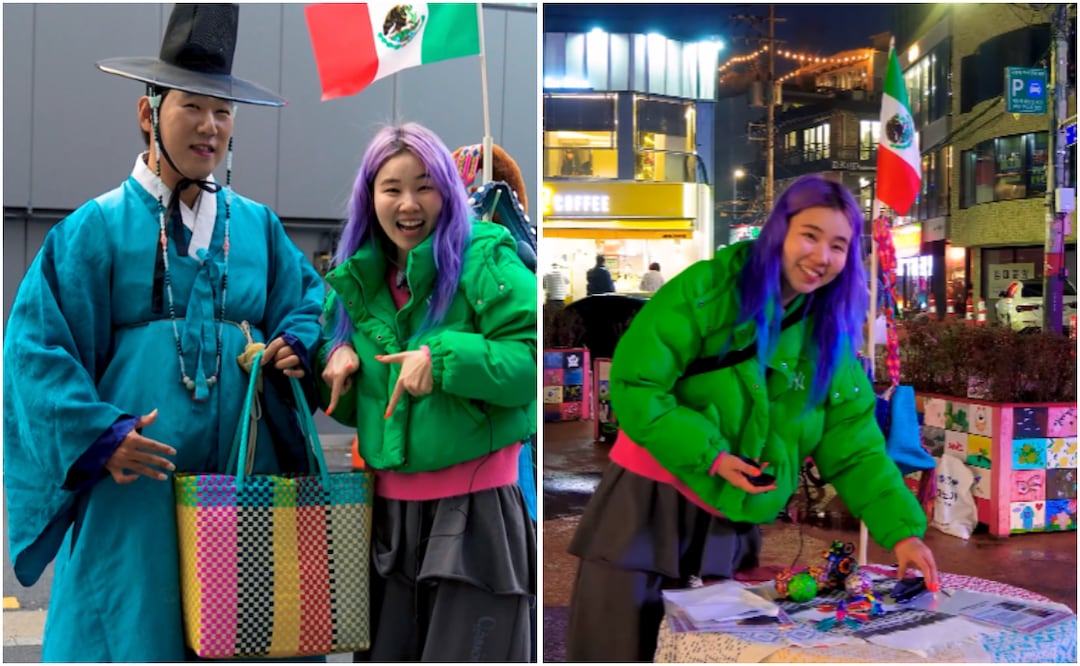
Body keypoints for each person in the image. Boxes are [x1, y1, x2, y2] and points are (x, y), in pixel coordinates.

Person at [2, 5, 325, 662]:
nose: (211, 126)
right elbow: (34, 352)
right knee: (133, 635)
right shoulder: (93, 230)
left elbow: (313, 304)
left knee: (248, 632)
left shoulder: (258, 227)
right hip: (134, 497)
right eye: (193, 107)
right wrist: (101, 437)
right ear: (149, 113)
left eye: (224, 112)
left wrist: (297, 340)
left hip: (244, 479)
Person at [565, 174, 940, 662]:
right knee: (617, 645)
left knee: (713, 651)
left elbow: (855, 447)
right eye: (810, 234)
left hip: (731, 519)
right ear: (778, 231)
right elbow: (637, 384)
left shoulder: (829, 336)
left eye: (839, 245)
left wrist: (902, 533)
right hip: (647, 504)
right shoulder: (707, 289)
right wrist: (712, 455)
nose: (821, 256)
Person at [317, 123, 536, 662]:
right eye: (392, 188)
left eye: (425, 186)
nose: (409, 204)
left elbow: (531, 360)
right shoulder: (355, 279)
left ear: (449, 190)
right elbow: (347, 394)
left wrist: (443, 361)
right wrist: (336, 360)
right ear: (370, 197)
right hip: (386, 516)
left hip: (475, 511)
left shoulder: (486, 258)